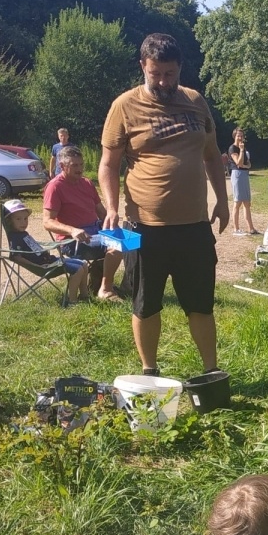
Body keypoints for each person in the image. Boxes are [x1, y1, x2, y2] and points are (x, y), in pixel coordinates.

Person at [98, 33, 229, 376]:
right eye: (155, 74)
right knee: (145, 304)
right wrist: (111, 208)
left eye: (169, 74)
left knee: (201, 304)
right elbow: (109, 164)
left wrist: (223, 201)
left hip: (195, 226)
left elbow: (213, 156)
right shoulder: (124, 106)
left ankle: (210, 371)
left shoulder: (196, 101)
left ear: (179, 69)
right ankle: (149, 371)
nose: (163, 81)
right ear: (143, 66)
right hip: (144, 227)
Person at [43, 146, 123, 302]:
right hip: (71, 240)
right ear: (62, 166)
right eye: (74, 165)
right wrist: (72, 230)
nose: (79, 169)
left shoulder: (86, 183)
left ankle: (117, 285)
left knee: (129, 244)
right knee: (116, 247)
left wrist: (113, 225)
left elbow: (101, 212)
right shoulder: (55, 187)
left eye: (81, 165)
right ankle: (105, 290)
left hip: (95, 233)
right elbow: (47, 222)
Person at [3, 198, 89, 305]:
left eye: (25, 218)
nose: (23, 222)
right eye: (18, 219)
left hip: (50, 260)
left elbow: (34, 247)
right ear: (9, 221)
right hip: (44, 266)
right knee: (78, 270)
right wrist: (34, 266)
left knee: (84, 264)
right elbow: (15, 257)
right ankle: (72, 301)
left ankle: (84, 295)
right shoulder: (15, 238)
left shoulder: (23, 234)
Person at [228, 128, 259, 236]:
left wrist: (245, 164)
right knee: (237, 202)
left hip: (244, 175)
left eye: (242, 136)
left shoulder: (244, 148)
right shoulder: (233, 148)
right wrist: (241, 151)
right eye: (238, 136)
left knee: (247, 202)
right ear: (234, 136)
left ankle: (251, 228)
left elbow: (248, 164)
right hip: (237, 175)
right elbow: (238, 163)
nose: (240, 138)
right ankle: (236, 229)